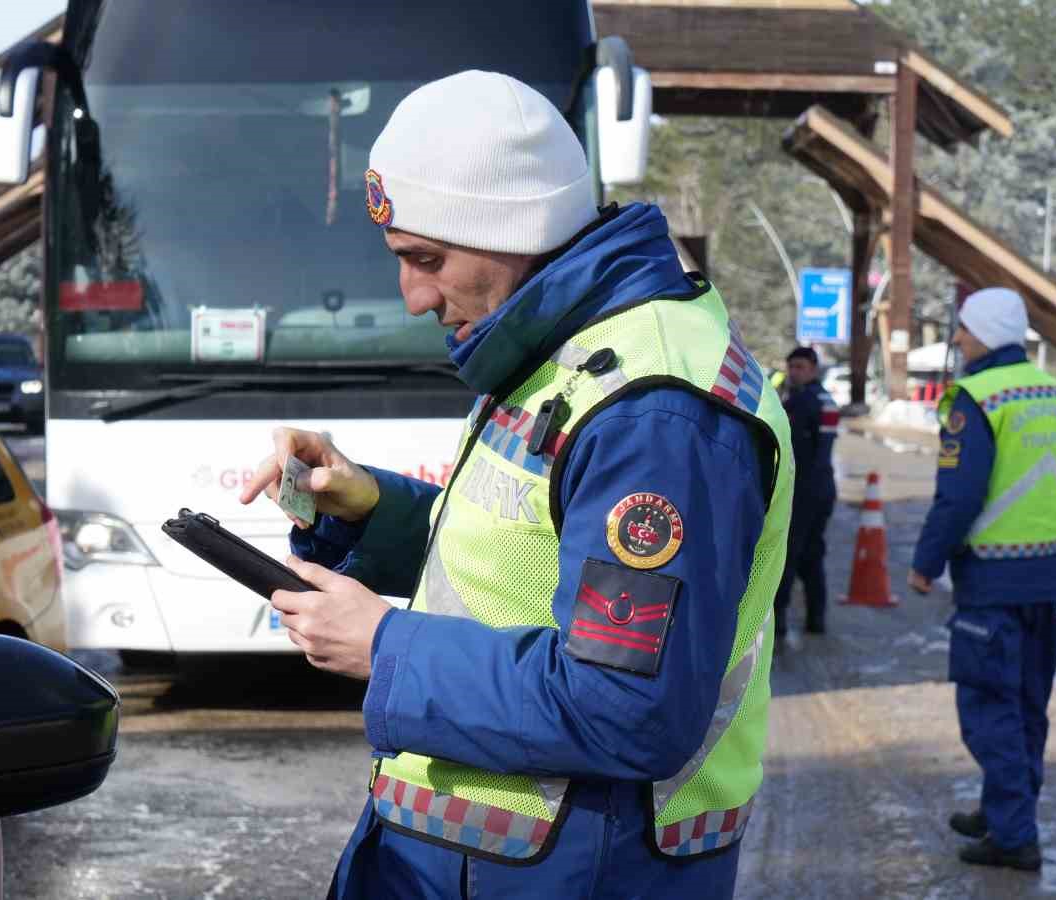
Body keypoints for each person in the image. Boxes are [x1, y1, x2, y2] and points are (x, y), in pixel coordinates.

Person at [239, 72, 793, 899]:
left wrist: (385, 646)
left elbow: (626, 704)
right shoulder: (565, 353)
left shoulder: (653, 418)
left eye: (426, 260)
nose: (414, 297)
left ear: (512, 229)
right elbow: (527, 557)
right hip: (489, 860)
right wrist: (372, 509)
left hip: (572, 871)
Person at [906, 287, 1056, 872]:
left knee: (990, 707)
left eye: (962, 329)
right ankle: (1003, 809)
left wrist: (925, 563)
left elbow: (958, 497)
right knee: (1028, 704)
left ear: (984, 333)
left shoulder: (977, 399)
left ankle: (1014, 837)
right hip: (1051, 573)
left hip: (994, 576)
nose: (957, 340)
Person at [774, 346, 840, 640]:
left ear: (814, 368)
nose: (794, 372)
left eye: (800, 367)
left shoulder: (805, 402)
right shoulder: (821, 399)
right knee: (812, 555)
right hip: (821, 488)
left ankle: (778, 625)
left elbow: (811, 454)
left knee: (787, 558)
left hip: (805, 490)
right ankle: (816, 620)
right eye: (792, 367)